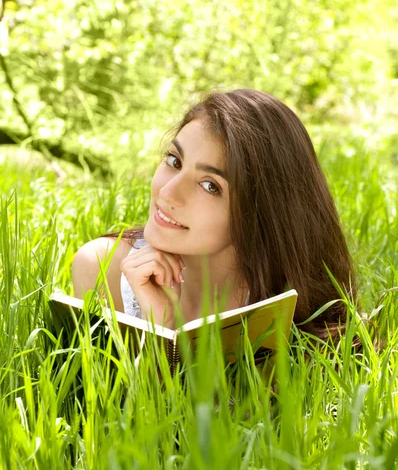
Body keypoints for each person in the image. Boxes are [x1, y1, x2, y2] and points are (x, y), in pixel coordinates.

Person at [72, 89, 356, 340]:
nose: (168, 193)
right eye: (174, 161)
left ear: (260, 213)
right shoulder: (101, 268)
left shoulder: (285, 305)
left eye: (210, 186)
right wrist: (158, 329)